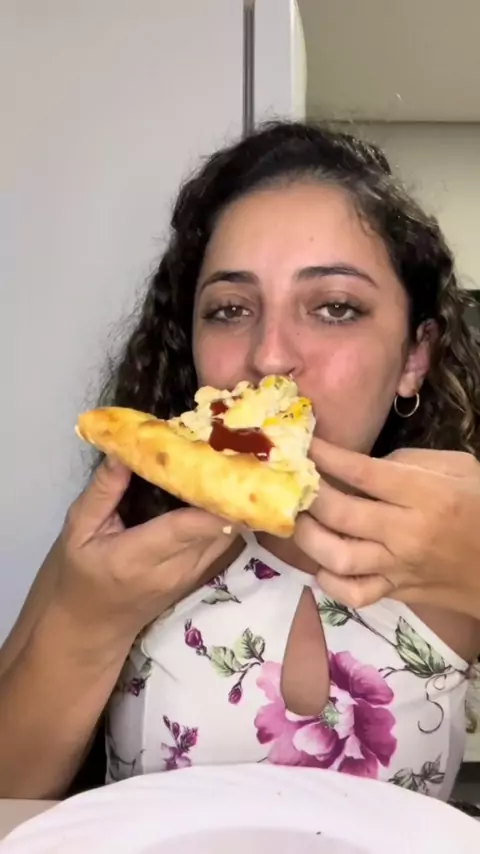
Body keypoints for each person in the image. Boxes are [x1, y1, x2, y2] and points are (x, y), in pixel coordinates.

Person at [1, 121, 480, 803]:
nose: (270, 356)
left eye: (335, 307)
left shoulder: (461, 534)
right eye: (229, 309)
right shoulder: (118, 539)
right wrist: (85, 625)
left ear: (414, 357)